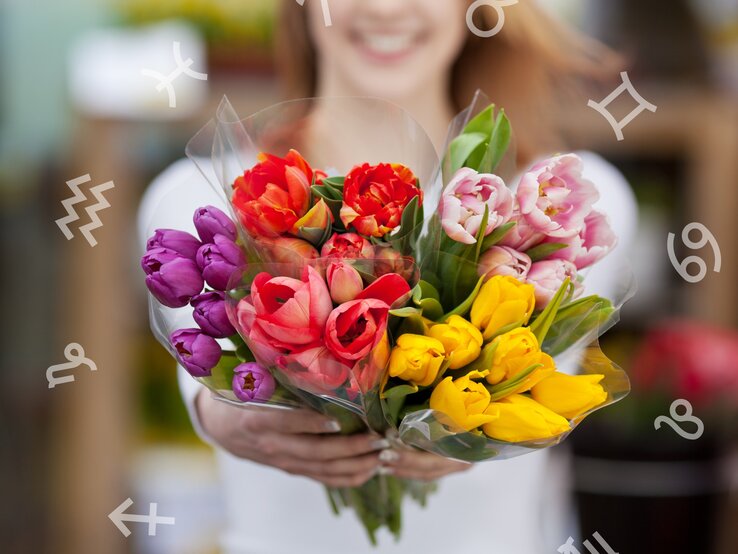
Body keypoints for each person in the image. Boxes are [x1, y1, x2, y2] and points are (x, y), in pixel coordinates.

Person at [138, 1, 638, 552]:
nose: (384, 7)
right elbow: (201, 371)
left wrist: (462, 421)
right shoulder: (198, 196)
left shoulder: (562, 207)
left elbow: (541, 391)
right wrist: (216, 414)